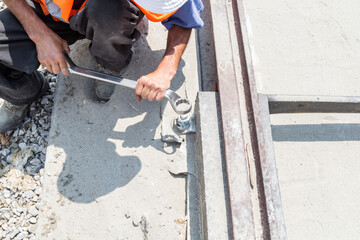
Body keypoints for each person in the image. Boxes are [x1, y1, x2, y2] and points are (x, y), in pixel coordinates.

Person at [0, 0, 203, 131]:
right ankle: (24, 92)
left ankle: (109, 61)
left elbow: (184, 17)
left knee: (107, 12)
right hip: (50, 9)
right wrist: (39, 34)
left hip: (106, 13)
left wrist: (166, 70)